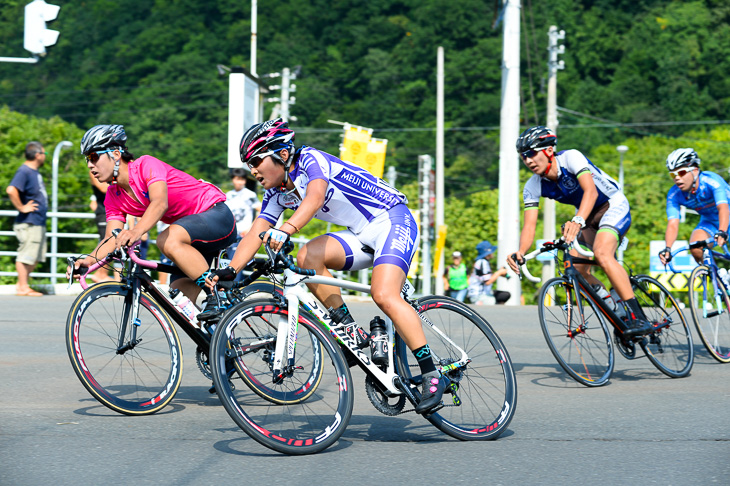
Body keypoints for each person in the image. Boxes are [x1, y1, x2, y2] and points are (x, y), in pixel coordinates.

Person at [208, 118, 445, 414]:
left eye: (256, 161)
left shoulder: (310, 160)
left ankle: (431, 373)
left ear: (281, 154)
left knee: (384, 295)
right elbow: (258, 229)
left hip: (392, 220)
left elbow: (315, 196)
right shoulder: (277, 192)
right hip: (360, 234)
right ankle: (349, 329)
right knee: (308, 256)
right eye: (248, 164)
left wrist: (288, 228)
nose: (252, 170)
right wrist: (231, 270)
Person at [67, 124, 237, 317]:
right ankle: (216, 338)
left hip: (216, 215)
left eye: (93, 157)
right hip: (190, 239)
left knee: (166, 239)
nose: (90, 165)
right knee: (180, 300)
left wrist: (135, 231)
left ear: (115, 154)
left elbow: (159, 203)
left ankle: (217, 293)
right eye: (87, 159)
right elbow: (111, 238)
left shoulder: (145, 165)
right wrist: (88, 261)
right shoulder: (113, 196)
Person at [506, 126, 652, 337]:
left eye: (531, 153)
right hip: (586, 216)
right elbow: (529, 225)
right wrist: (520, 251)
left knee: (602, 253)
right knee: (575, 266)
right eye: (523, 157)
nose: (527, 161)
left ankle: (639, 317)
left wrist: (577, 220)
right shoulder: (532, 185)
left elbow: (591, 192)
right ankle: (614, 306)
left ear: (547, 150)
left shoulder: (571, 158)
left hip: (611, 205)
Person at [658, 148, 730, 266]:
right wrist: (668, 248)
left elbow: (723, 208)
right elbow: (672, 223)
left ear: (695, 170)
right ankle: (717, 279)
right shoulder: (674, 195)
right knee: (696, 247)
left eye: (681, 172)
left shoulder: (711, 181)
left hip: (726, 216)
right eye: (672, 174)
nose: (676, 178)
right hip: (710, 222)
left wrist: (722, 231)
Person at [6, 141, 47, 297]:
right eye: (44, 153)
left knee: (35, 256)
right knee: (26, 255)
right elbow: (11, 190)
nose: (45, 157)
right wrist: (22, 207)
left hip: (37, 221)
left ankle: (22, 283)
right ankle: (23, 287)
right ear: (37, 155)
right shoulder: (24, 171)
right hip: (29, 221)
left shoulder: (33, 171)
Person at [88, 172, 113, 282]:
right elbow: (103, 188)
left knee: (113, 243)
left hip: (112, 212)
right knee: (108, 242)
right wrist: (122, 184)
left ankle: (102, 273)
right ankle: (100, 274)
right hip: (103, 213)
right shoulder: (94, 171)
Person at [468, 240, 511, 305]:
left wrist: (499, 273)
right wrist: (499, 273)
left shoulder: (483, 261)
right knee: (494, 304)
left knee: (505, 295)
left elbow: (486, 277)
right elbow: (487, 282)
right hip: (479, 295)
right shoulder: (482, 262)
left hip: (484, 292)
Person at [225, 167, 261, 238]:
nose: (240, 182)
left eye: (242, 179)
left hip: (245, 233)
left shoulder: (250, 195)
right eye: (238, 179)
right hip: (230, 232)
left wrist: (251, 228)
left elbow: (260, 211)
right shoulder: (228, 195)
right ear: (233, 180)